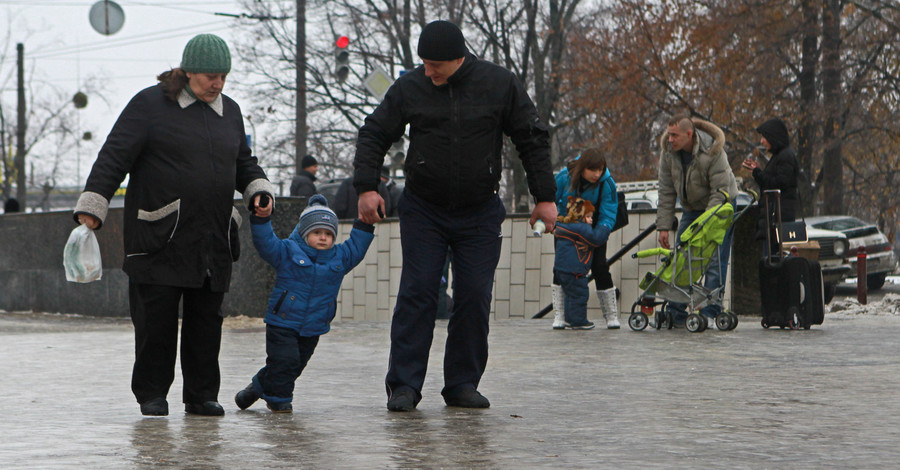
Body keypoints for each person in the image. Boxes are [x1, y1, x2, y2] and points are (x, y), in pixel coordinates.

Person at [353, 20, 557, 412]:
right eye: (424, 64)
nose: (428, 72)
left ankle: (462, 383)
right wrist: (366, 187)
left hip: (479, 212)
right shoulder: (412, 86)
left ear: (458, 58)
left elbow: (531, 137)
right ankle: (404, 386)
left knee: (474, 296)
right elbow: (374, 132)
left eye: (435, 65)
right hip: (424, 209)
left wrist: (544, 197)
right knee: (418, 293)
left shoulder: (499, 84)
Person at [72, 34, 275, 417]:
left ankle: (201, 395)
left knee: (206, 323)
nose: (217, 84)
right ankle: (152, 394)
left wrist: (256, 189)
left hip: (211, 237)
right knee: (156, 323)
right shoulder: (150, 105)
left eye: (223, 77)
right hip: (159, 235)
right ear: (186, 73)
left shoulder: (229, 111)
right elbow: (114, 156)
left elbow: (243, 161)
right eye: (209, 76)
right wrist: (94, 205)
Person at [234, 194, 374, 413]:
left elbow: (356, 247)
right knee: (285, 361)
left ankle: (256, 388)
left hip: (314, 325)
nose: (323, 238)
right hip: (283, 321)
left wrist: (365, 224)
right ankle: (279, 400)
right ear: (304, 232)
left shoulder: (339, 258)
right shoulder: (288, 252)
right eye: (316, 232)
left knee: (293, 366)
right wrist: (262, 219)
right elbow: (266, 243)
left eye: (328, 234)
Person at [657, 114, 738, 325]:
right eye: (669, 134)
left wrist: (704, 226)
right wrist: (663, 226)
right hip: (692, 207)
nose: (670, 139)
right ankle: (676, 310)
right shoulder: (668, 153)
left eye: (675, 135)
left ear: (689, 134)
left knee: (713, 258)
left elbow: (720, 192)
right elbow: (666, 190)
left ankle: (711, 310)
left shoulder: (712, 151)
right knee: (682, 256)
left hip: (720, 206)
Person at [550, 149, 620, 330]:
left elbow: (609, 212)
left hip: (593, 229)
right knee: (561, 269)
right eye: (593, 170)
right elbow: (550, 200)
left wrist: (600, 234)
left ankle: (611, 315)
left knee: (600, 267)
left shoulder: (607, 183)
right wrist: (554, 224)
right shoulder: (564, 177)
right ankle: (560, 315)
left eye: (600, 170)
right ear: (583, 168)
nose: (597, 174)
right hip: (566, 229)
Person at [742, 118, 800, 255]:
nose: (762, 141)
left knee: (773, 261)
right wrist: (758, 171)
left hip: (777, 221)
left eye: (764, 137)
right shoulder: (780, 156)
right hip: (775, 220)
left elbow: (778, 184)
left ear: (773, 137)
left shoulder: (784, 156)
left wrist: (757, 173)